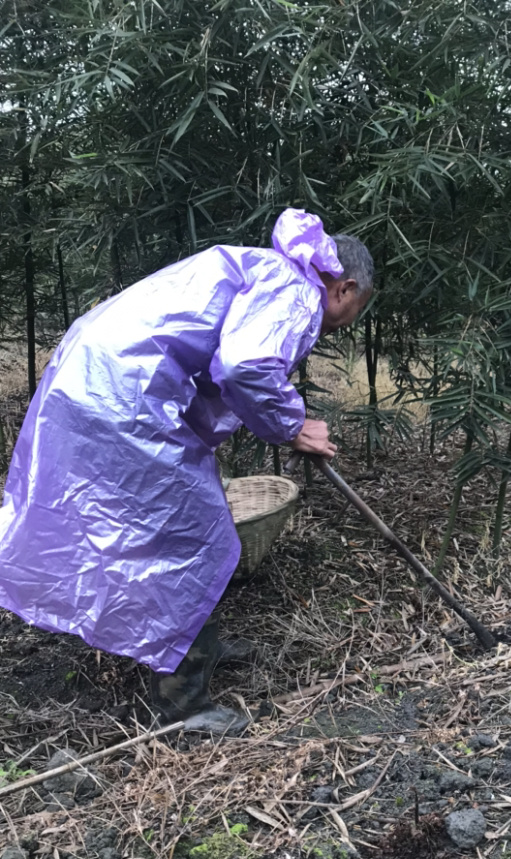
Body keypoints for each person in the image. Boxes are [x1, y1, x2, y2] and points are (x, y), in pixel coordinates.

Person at [0, 209, 373, 733]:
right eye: (358, 309)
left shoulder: (264, 270)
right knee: (191, 541)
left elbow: (208, 364)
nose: (351, 320)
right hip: (124, 399)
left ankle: (195, 643)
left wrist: (222, 432)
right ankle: (185, 707)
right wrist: (293, 426)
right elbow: (246, 367)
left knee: (194, 525)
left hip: (102, 383)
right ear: (346, 288)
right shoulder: (293, 288)